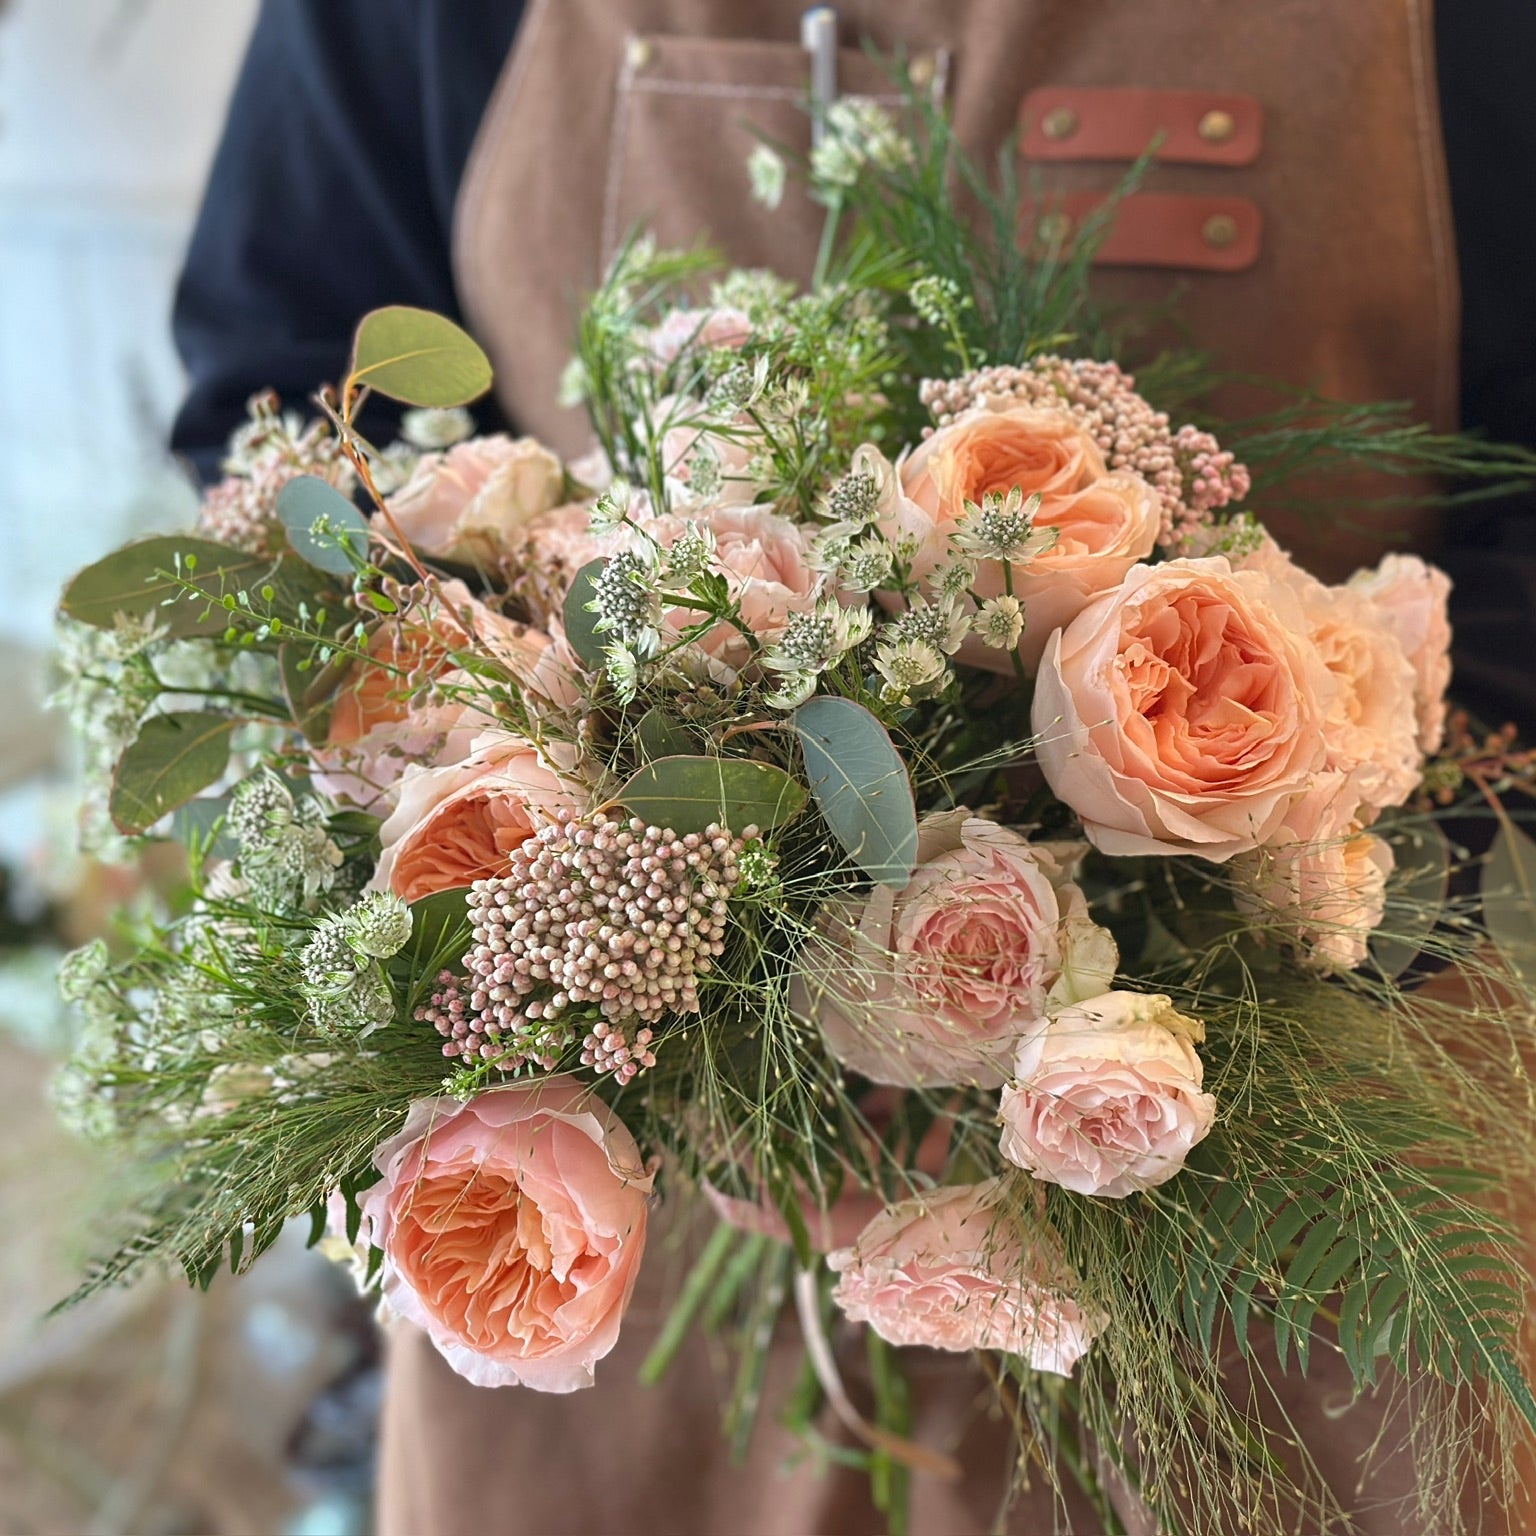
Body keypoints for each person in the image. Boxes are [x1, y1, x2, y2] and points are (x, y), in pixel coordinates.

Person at [170, 4, 1536, 1530]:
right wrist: (637, 927)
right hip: (623, 1189)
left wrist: (1282, 906)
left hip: (1307, 1168)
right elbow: (277, 398)